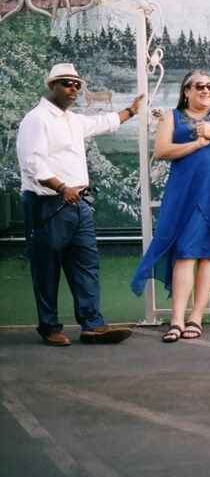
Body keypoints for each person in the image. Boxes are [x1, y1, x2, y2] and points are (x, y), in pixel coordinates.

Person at [17, 63, 145, 346]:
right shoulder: (37, 119)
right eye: (66, 84)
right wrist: (62, 188)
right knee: (47, 268)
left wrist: (132, 110)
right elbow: (32, 162)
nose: (73, 89)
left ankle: (93, 325)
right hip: (46, 203)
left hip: (77, 205)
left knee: (86, 264)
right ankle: (50, 328)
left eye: (77, 85)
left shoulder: (73, 120)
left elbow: (102, 122)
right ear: (51, 86)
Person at [130, 70, 210, 342]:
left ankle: (196, 318)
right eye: (200, 86)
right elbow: (162, 151)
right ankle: (176, 320)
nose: (206, 91)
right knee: (185, 251)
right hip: (185, 193)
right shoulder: (170, 117)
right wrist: (196, 143)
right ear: (186, 91)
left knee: (209, 253)